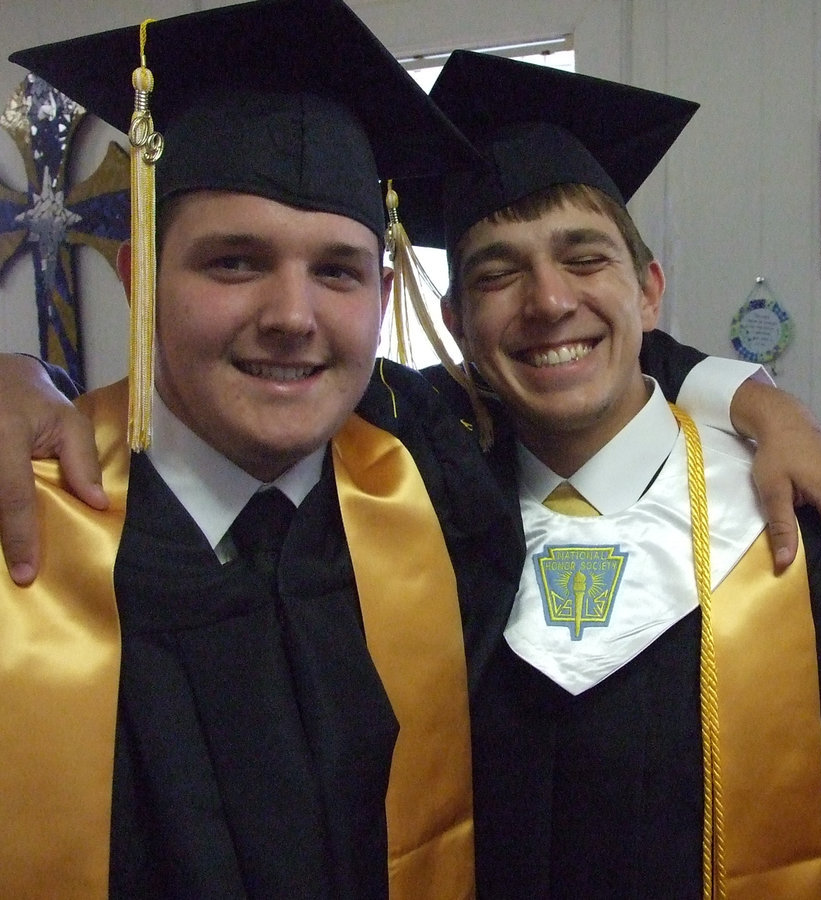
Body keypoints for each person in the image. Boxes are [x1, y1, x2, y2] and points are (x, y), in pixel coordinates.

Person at [0, 0, 525, 895]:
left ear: (383, 291)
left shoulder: (443, 494)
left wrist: (743, 394)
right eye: (234, 262)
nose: (292, 318)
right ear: (141, 278)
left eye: (336, 271)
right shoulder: (27, 531)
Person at [414, 50, 821, 899]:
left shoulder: (801, 533)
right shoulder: (414, 526)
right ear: (458, 323)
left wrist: (755, 398)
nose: (547, 302)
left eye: (584, 258)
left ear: (648, 292)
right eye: (497, 273)